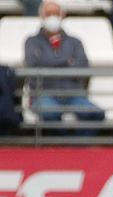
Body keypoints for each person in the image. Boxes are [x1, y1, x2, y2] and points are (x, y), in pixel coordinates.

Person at [23, 0, 105, 134]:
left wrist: (48, 64)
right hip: (43, 94)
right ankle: (63, 147)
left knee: (96, 114)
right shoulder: (31, 41)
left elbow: (83, 68)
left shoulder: (75, 42)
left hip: (73, 94)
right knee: (50, 114)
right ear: (41, 17)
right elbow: (31, 67)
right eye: (48, 14)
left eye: (55, 13)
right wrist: (67, 61)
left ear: (62, 16)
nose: (52, 17)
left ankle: (78, 147)